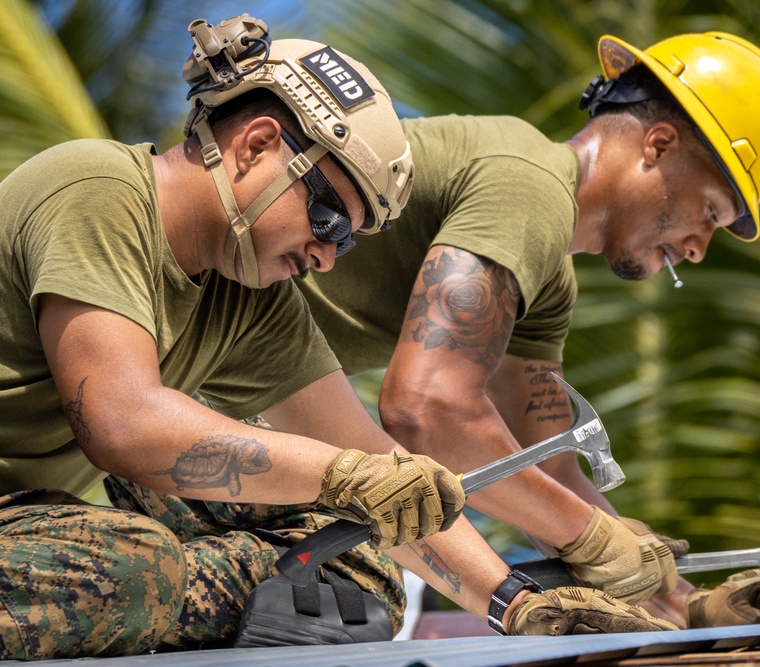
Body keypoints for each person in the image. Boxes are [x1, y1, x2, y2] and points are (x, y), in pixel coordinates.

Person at [0, 15, 673, 660]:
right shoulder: (97, 191)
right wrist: (340, 476)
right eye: (327, 217)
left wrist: (515, 603)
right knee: (137, 569)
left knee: (356, 565)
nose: (327, 255)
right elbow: (122, 422)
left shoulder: (252, 300)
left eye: (347, 240)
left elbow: (374, 458)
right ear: (256, 144)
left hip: (22, 515)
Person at [292, 31, 760, 627]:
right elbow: (428, 409)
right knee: (348, 594)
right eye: (711, 212)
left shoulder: (549, 276)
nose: (700, 249)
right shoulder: (530, 184)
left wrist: (685, 603)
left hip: (249, 404)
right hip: (196, 393)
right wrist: (590, 536)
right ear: (660, 144)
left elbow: (547, 469)